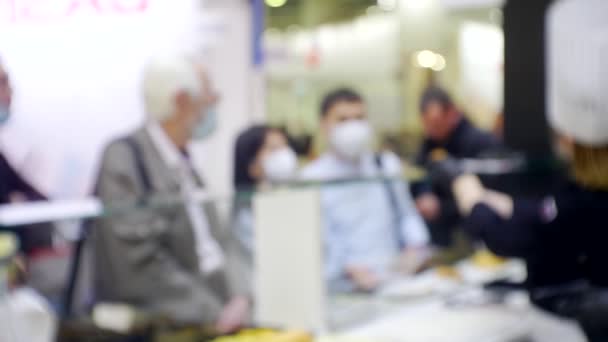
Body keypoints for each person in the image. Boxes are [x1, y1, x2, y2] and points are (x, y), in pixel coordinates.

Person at [429, 0, 608, 339]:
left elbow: (507, 235)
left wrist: (466, 190)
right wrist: (486, 196)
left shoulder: (582, 203)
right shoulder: (582, 197)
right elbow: (538, 214)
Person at [94, 55, 249, 332]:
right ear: (181, 101)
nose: (213, 103)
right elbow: (138, 264)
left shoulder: (183, 162)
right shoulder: (125, 158)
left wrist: (239, 294)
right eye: (207, 96)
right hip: (173, 320)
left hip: (216, 307)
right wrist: (212, 311)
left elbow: (220, 238)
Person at [300, 88, 430, 292]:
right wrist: (348, 268)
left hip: (394, 280)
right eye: (343, 120)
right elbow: (318, 241)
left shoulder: (385, 164)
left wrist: (415, 249)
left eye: (359, 118)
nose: (353, 126)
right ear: (324, 125)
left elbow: (407, 214)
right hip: (342, 288)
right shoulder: (311, 177)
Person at [413, 87, 501, 247]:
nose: (431, 130)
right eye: (427, 125)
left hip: (476, 232)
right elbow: (418, 174)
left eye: (436, 123)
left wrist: (443, 207)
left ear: (452, 113)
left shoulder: (480, 142)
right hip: (440, 235)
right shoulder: (429, 143)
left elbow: (488, 193)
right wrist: (424, 194)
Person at [232, 125, 298, 257]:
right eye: (274, 149)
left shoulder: (294, 200)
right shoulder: (244, 218)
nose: (285, 154)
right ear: (252, 166)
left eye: (285, 147)